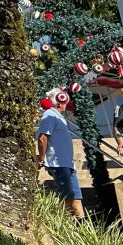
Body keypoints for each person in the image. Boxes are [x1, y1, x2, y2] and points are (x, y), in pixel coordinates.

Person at [37, 89, 85, 218]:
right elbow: (42, 138)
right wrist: (41, 159)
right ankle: (62, 223)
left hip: (68, 164)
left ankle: (82, 226)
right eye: (65, 101)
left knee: (76, 197)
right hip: (59, 164)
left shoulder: (59, 117)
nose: (66, 105)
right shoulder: (49, 115)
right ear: (60, 101)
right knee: (67, 197)